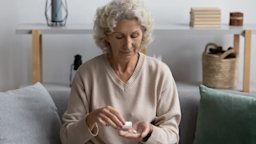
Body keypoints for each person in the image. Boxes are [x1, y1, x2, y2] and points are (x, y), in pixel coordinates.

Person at [60, 0, 181, 143]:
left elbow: (172, 135)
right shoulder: (86, 74)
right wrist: (90, 119)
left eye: (134, 36)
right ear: (106, 36)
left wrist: (150, 132)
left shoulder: (160, 73)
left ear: (143, 33)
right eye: (119, 37)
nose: (128, 45)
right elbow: (67, 138)